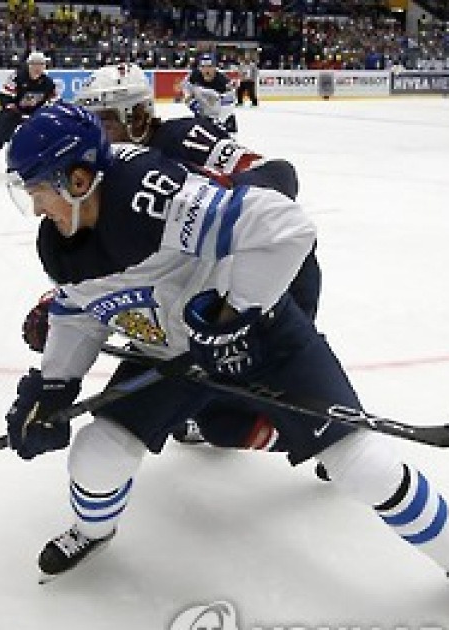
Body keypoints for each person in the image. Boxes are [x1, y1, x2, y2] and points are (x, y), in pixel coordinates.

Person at [1, 102, 449, 622]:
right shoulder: (59, 245)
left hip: (263, 335)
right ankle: (94, 532)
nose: (36, 206)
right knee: (96, 455)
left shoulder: (150, 198)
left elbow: (284, 226)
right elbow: (82, 311)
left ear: (76, 179)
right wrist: (54, 387)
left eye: (38, 191)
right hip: (169, 354)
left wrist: (231, 318)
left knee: (365, 469)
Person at [32, 61, 318, 454]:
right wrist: (70, 303)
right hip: (193, 309)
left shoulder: (182, 138)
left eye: (104, 122)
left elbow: (279, 175)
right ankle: (281, 431)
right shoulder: (107, 176)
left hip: (271, 278)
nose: (95, 134)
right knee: (219, 422)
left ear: (138, 116)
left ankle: (321, 431)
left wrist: (221, 198)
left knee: (259, 391)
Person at [0, 51, 58, 175]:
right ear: (29, 65)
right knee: (1, 132)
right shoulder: (17, 77)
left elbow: (54, 100)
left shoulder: (48, 83)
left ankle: (29, 162)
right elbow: (4, 95)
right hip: (14, 112)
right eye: (34, 64)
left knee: (40, 136)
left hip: (35, 114)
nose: (38, 68)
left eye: (41, 64)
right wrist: (10, 106)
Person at [178, 53, 238, 133]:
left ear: (214, 67)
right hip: (202, 117)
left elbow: (230, 104)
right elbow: (185, 90)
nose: (206, 69)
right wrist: (192, 103)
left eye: (209, 66)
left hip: (223, 119)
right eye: (203, 66)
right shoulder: (193, 76)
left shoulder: (224, 81)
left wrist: (219, 121)